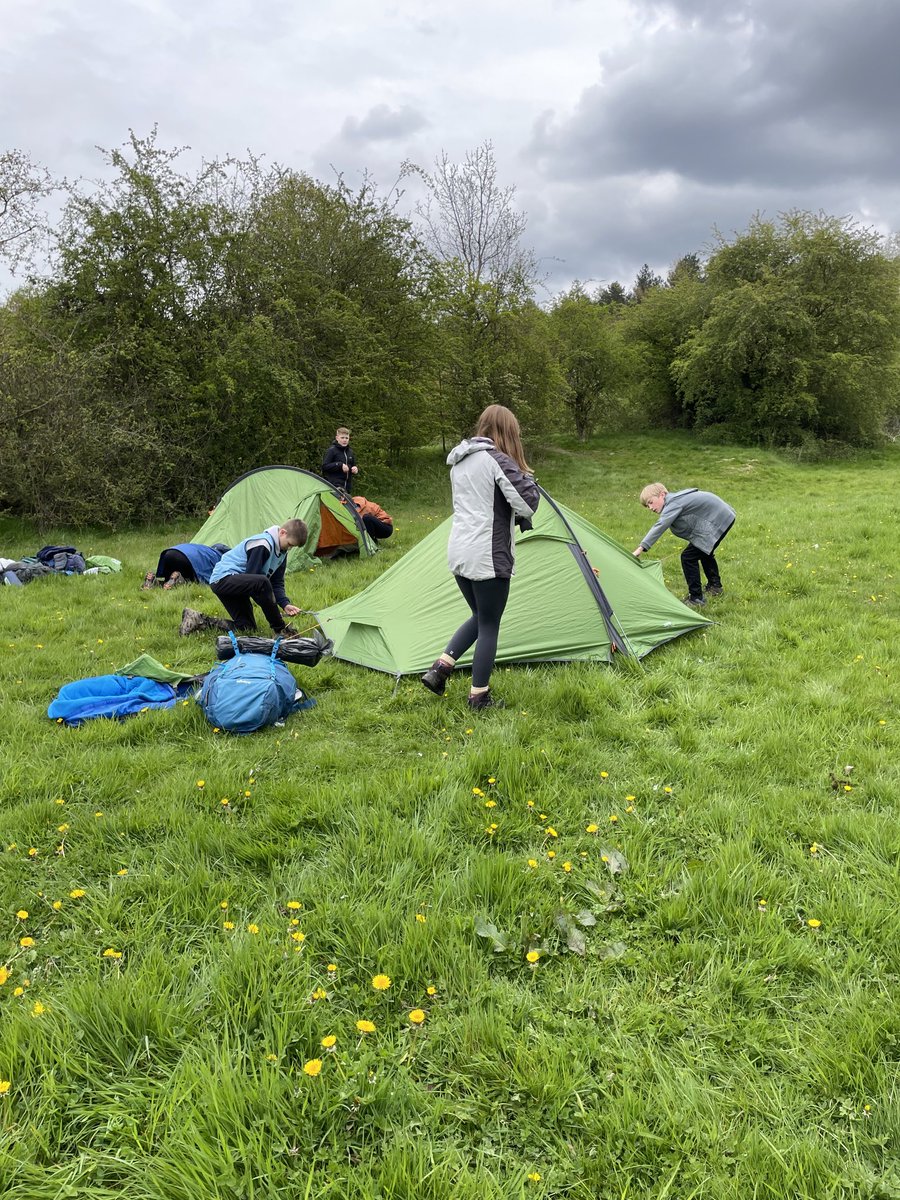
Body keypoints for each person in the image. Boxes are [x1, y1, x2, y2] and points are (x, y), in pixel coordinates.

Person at [421, 404, 539, 710]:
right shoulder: (496, 460)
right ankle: (479, 697)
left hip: (460, 551)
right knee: (489, 624)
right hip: (487, 554)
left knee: (480, 616)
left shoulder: (460, 461)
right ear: (507, 431)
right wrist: (528, 480)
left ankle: (440, 669)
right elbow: (527, 502)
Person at [178, 520, 307, 636]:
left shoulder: (282, 553)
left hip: (240, 583)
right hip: (223, 579)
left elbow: (276, 583)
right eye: (289, 544)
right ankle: (281, 630)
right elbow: (256, 583)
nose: (289, 548)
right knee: (262, 582)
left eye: (292, 547)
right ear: (282, 533)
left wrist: (285, 604)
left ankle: (197, 620)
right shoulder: (263, 544)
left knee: (247, 628)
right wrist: (274, 614)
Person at [633, 483, 735, 607]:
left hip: (718, 519)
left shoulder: (673, 503)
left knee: (688, 557)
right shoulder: (674, 500)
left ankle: (696, 599)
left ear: (662, 495)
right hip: (724, 516)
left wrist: (641, 548)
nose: (650, 507)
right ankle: (715, 587)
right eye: (647, 506)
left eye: (650, 502)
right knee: (704, 552)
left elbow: (661, 525)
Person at [141, 543, 229, 591]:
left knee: (167, 580)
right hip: (187, 558)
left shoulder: (204, 548)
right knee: (191, 581)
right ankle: (178, 578)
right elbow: (211, 577)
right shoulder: (220, 557)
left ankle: (154, 581)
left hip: (169, 552)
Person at [322, 427, 358, 491]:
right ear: (337, 438)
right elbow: (324, 466)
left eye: (346, 438)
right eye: (342, 438)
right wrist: (339, 465)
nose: (345, 440)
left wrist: (355, 469)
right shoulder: (332, 451)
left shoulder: (350, 452)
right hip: (334, 486)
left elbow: (352, 465)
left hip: (347, 487)